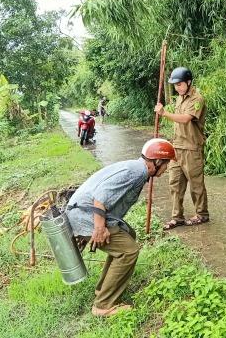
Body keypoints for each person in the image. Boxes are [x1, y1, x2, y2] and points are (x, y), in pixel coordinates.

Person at [66, 138, 176, 316]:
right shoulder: (137, 172)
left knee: (128, 234)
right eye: (166, 164)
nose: (166, 169)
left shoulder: (135, 168)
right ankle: (103, 305)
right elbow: (100, 197)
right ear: (157, 161)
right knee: (128, 250)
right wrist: (98, 228)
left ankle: (103, 288)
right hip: (85, 213)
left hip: (83, 212)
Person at [154, 66, 209, 229]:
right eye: (175, 85)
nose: (177, 87)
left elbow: (186, 119)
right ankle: (177, 217)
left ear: (189, 82)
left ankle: (202, 214)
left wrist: (164, 113)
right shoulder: (179, 97)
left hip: (192, 148)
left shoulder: (197, 99)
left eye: (180, 84)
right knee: (175, 183)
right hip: (176, 148)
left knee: (196, 184)